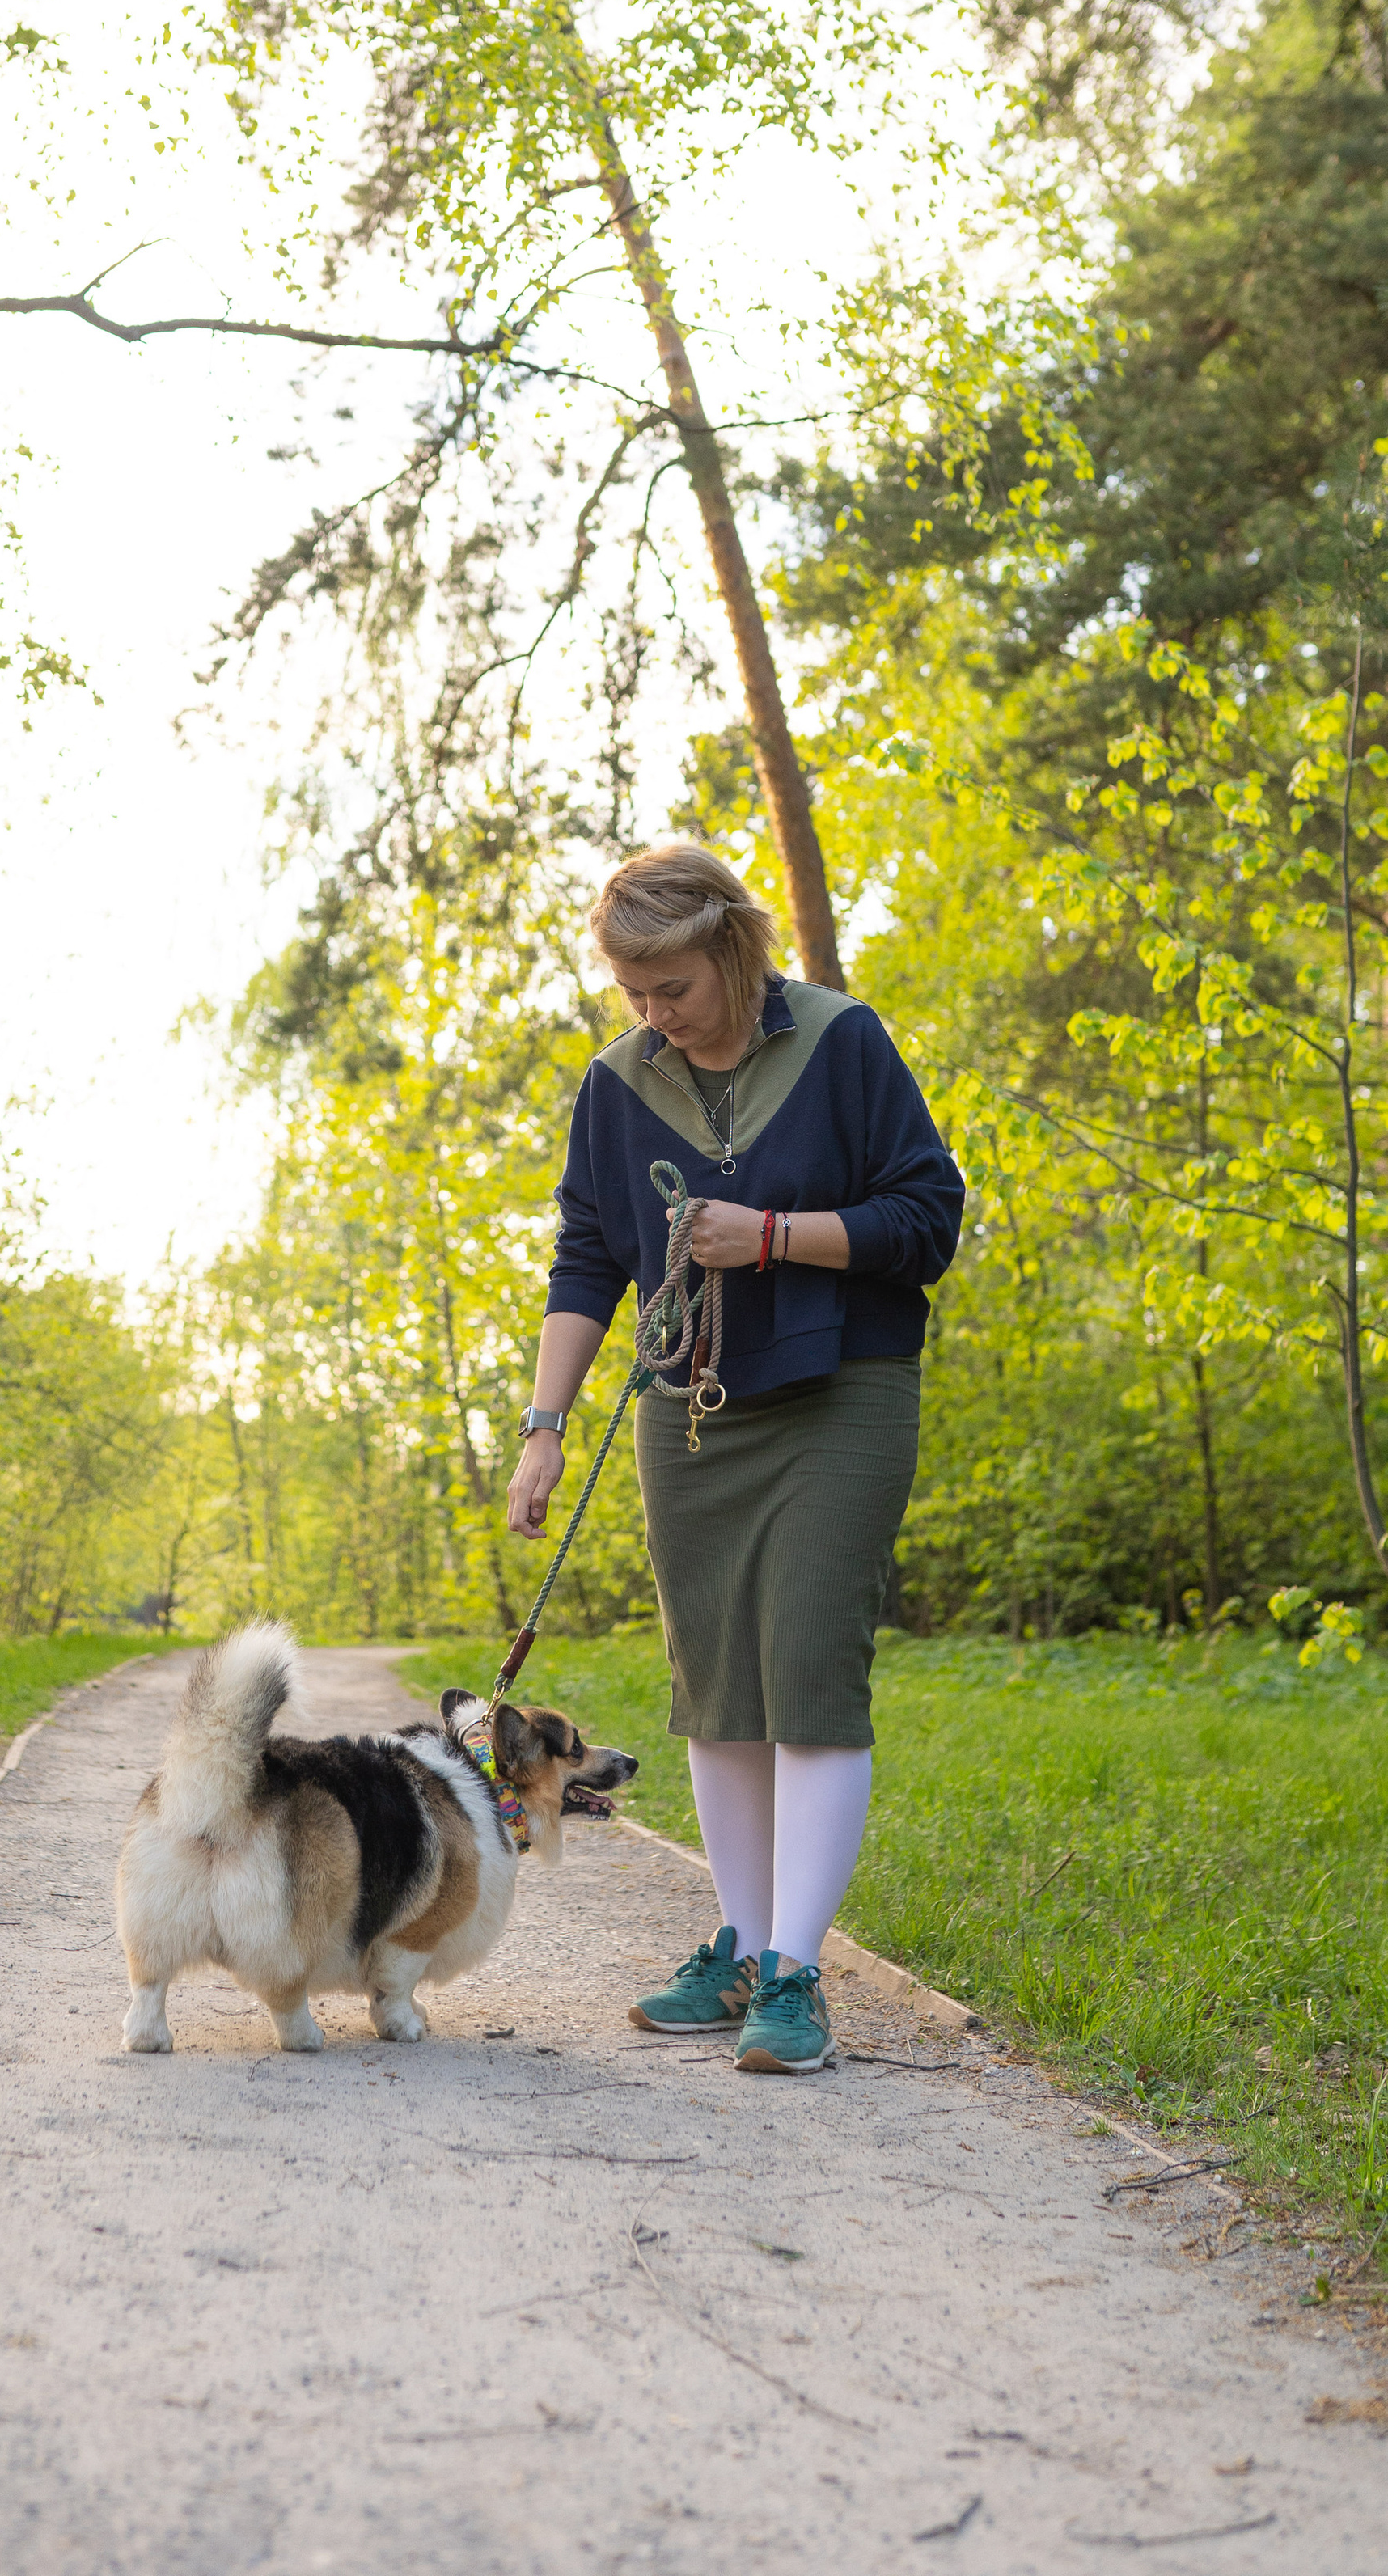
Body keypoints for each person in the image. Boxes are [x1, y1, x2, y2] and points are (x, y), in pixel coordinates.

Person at [506, 840, 963, 2075]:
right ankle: (742, 1946)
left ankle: (799, 1974)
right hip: (692, 1410)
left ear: (731, 948)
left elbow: (927, 1221)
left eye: (675, 990)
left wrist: (771, 1237)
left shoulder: (840, 1043)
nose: (654, 1016)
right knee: (717, 1689)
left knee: (806, 1674)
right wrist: (543, 1428)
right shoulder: (616, 1083)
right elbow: (587, 1260)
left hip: (841, 1394)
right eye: (633, 993)